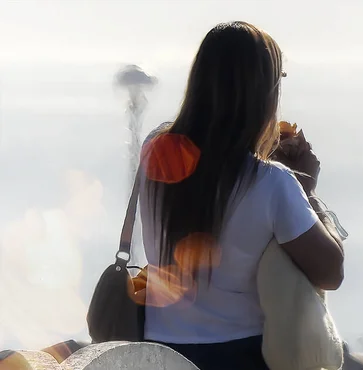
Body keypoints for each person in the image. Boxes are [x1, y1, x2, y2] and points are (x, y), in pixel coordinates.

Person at [138, 21, 345, 370]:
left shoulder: (155, 153)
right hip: (241, 353)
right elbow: (331, 272)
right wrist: (307, 191)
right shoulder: (272, 183)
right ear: (262, 91)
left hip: (159, 349)